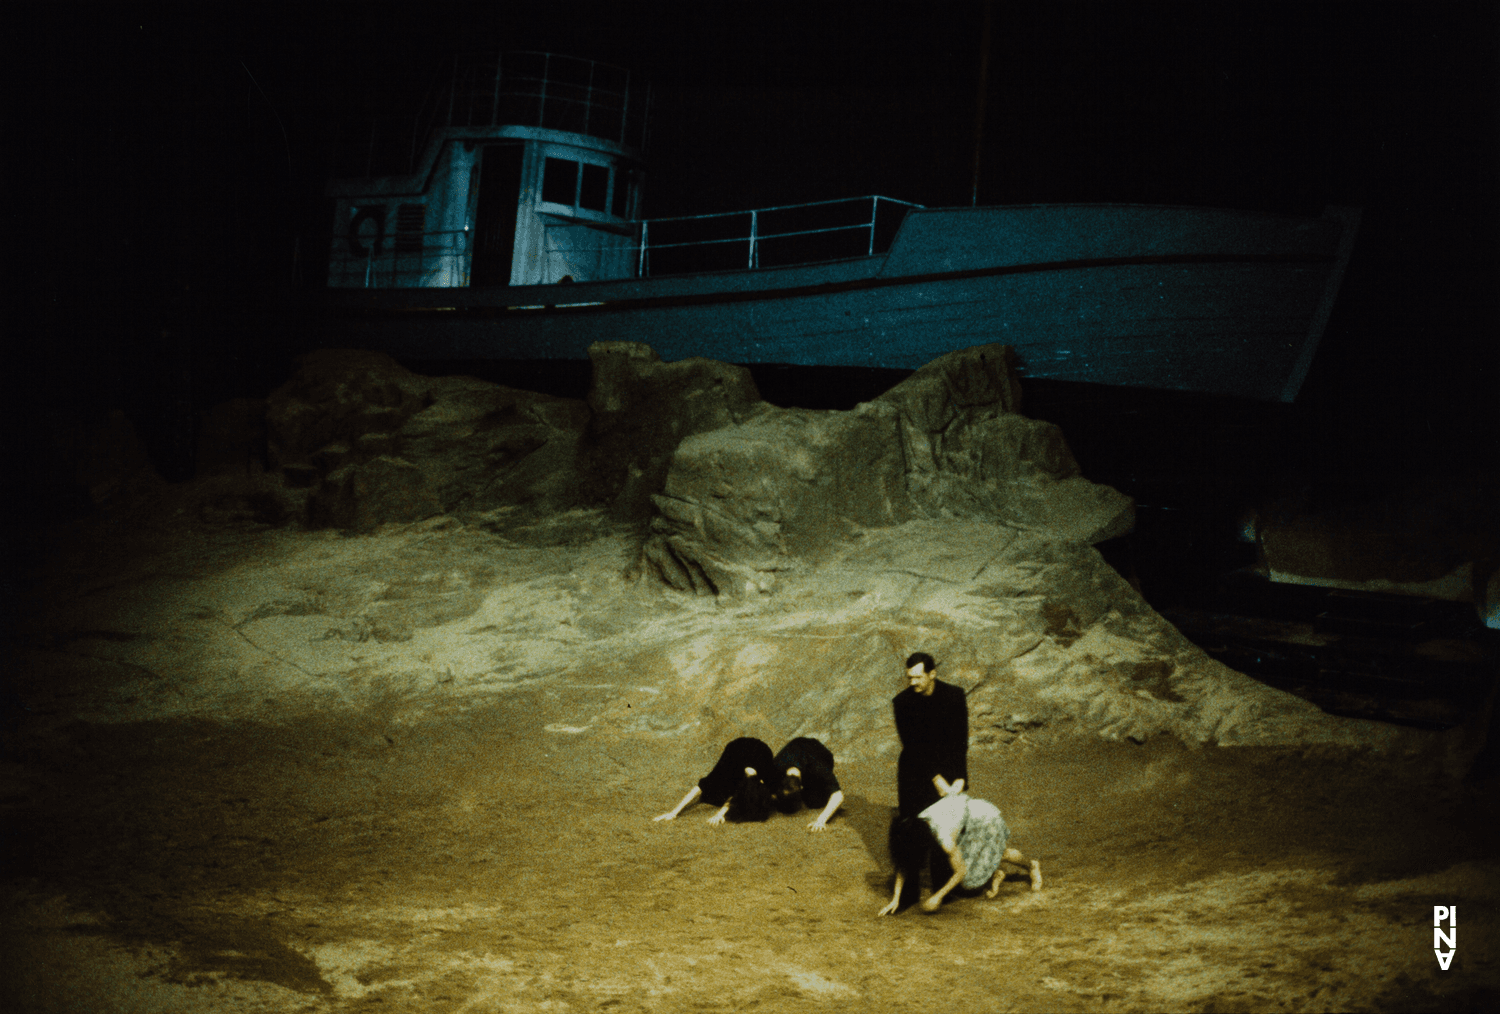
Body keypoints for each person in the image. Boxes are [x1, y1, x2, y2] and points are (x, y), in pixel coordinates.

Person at [877, 777, 1042, 916]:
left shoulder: (944, 838)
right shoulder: (917, 824)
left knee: (999, 853)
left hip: (982, 819)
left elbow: (960, 871)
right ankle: (996, 872)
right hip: (962, 821)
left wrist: (938, 896)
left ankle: (1031, 865)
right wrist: (896, 899)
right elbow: (905, 861)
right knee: (974, 856)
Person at [891, 652, 970, 899]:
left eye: (918, 677)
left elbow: (960, 740)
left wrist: (960, 777)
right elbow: (913, 746)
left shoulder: (955, 696)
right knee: (912, 827)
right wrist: (935, 779)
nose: (912, 682)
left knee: (944, 826)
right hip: (913, 773)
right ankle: (909, 893)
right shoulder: (902, 703)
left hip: (948, 768)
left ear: (932, 674)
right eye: (909, 677)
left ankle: (944, 888)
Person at [653, 737, 775, 825]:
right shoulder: (729, 764)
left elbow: (737, 795)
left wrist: (720, 814)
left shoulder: (766, 775)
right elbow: (701, 787)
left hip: (762, 753)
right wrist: (674, 812)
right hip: (737, 747)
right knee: (715, 793)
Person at [770, 737, 845, 832]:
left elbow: (838, 795)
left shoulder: (818, 767)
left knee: (815, 802)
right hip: (796, 747)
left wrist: (821, 820)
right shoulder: (777, 766)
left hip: (820, 754)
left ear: (802, 787)